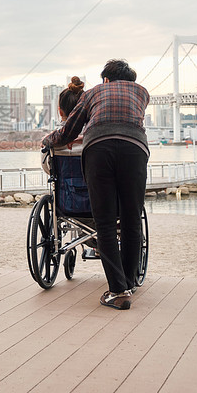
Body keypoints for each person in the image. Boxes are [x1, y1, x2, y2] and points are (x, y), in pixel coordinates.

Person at [42, 59, 150, 310]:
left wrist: (49, 140)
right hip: (135, 150)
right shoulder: (142, 93)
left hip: (99, 151)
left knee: (105, 222)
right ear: (131, 80)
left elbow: (69, 131)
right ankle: (130, 281)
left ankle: (118, 291)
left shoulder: (93, 93)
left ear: (105, 79)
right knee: (132, 219)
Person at [41, 76, 85, 175]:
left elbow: (48, 169)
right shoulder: (94, 137)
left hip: (64, 188)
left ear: (60, 111)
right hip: (95, 188)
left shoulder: (51, 141)